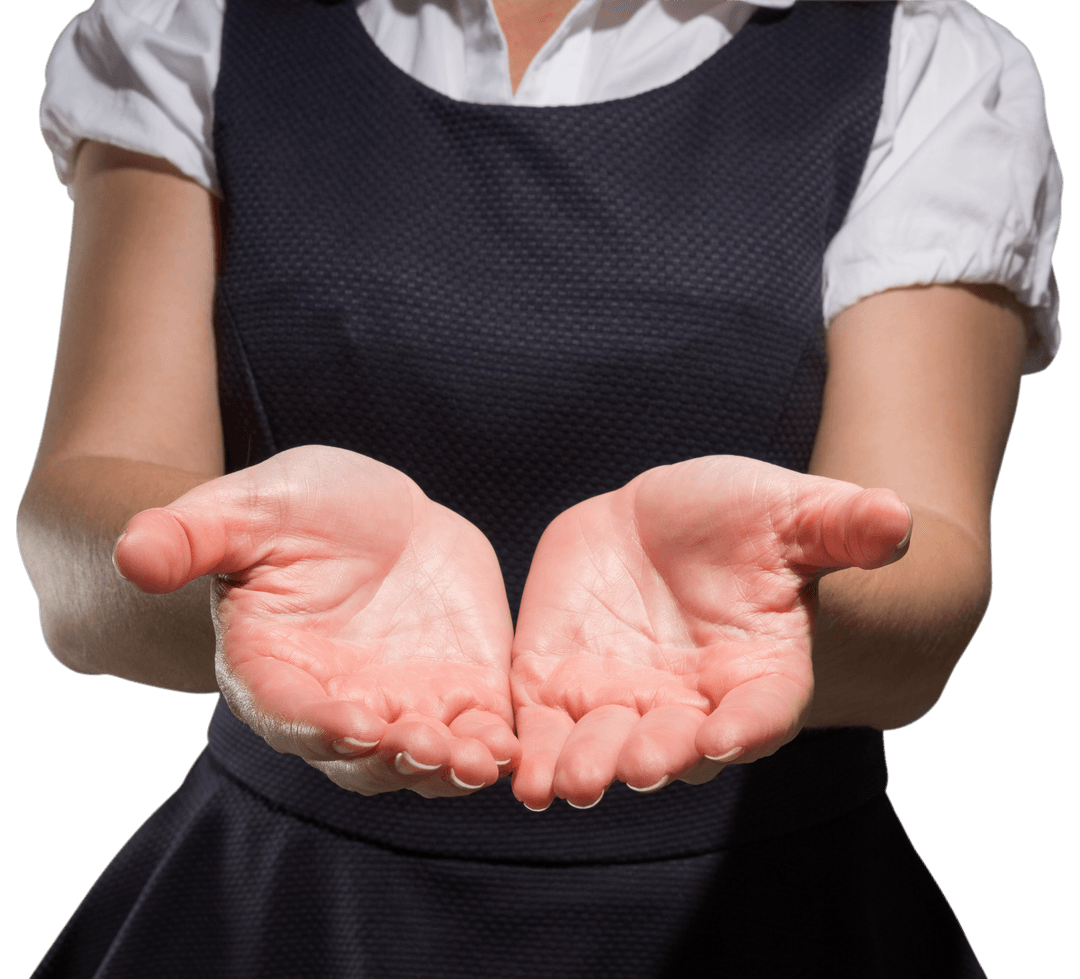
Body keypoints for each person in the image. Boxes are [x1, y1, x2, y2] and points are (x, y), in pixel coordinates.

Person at [17, 0, 1061, 976]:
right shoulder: (200, 27)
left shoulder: (924, 64)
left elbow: (928, 580)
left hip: (766, 923)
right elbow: (81, 556)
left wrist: (769, 609)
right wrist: (254, 584)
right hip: (278, 916)